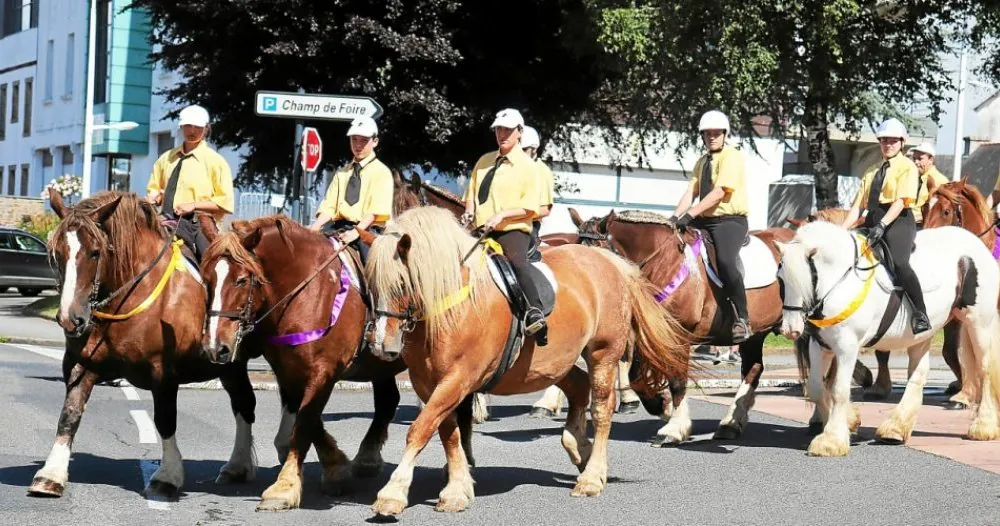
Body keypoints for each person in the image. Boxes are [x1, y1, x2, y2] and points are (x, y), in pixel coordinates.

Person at [462, 108, 547, 345]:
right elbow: (471, 194)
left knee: (517, 263)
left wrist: (502, 215)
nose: (502, 134)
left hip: (513, 229)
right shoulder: (484, 161)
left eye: (508, 130)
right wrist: (469, 212)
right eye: (498, 129)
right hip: (481, 230)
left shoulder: (528, 166)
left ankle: (535, 311)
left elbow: (530, 207)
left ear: (519, 132)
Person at [841, 118, 931, 334]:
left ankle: (920, 313)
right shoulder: (872, 170)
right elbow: (857, 207)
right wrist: (841, 231)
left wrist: (882, 225)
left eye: (892, 141)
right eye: (884, 141)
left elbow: (901, 201)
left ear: (902, 142)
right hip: (873, 218)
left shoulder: (908, 167)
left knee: (900, 263)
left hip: (898, 219)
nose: (888, 145)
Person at [669, 110, 751, 342]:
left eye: (717, 133)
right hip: (703, 219)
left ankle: (742, 318)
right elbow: (691, 192)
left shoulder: (732, 157)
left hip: (729, 221)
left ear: (725, 134)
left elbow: (719, 193)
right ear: (702, 136)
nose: (712, 137)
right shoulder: (702, 161)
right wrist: (674, 218)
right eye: (708, 134)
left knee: (725, 262)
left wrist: (690, 214)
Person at [146, 104, 234, 261]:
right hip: (165, 220)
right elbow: (155, 188)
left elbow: (224, 203)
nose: (192, 131)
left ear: (206, 129)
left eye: (197, 127)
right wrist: (155, 197)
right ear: (181, 126)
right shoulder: (166, 158)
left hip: (199, 224)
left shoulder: (216, 162)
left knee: (214, 265)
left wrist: (193, 205)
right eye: (187, 126)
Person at [309, 116, 393, 265]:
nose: (358, 145)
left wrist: (356, 232)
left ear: (375, 141)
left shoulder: (382, 172)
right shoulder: (342, 173)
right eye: (354, 140)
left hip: (367, 231)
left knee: (374, 271)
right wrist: (315, 226)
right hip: (338, 227)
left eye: (363, 140)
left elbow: (374, 212)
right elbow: (329, 207)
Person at [520, 125, 555, 261]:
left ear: (534, 149)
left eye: (523, 150)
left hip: (526, 229)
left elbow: (545, 210)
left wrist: (511, 215)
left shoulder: (542, 172)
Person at [909, 142, 949, 227]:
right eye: (914, 158)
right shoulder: (914, 178)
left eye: (920, 159)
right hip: (911, 224)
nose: (916, 162)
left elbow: (944, 211)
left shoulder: (940, 181)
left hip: (925, 227)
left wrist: (922, 217)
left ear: (931, 160)